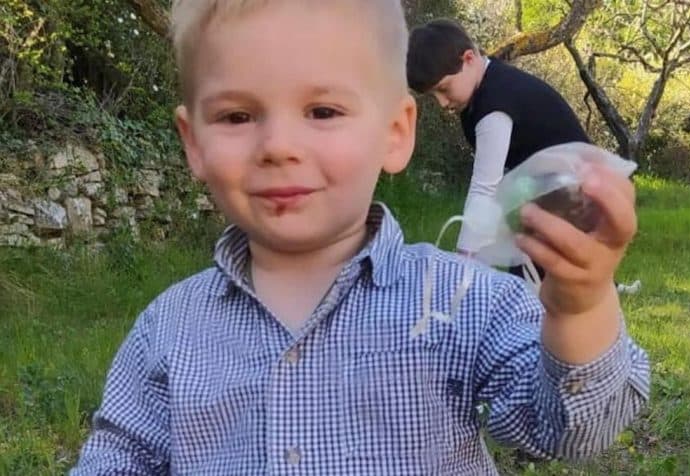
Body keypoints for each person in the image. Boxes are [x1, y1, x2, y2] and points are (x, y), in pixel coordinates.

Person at [70, 1, 649, 474]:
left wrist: (581, 308)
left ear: (395, 133)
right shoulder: (168, 329)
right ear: (194, 142)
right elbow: (118, 458)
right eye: (237, 117)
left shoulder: (462, 302)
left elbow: (571, 429)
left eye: (322, 111)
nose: (278, 146)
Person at [407, 19, 591, 279]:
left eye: (444, 89)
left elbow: (485, 186)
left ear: (469, 59)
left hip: (580, 190)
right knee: (524, 266)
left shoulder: (494, 104)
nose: (442, 102)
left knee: (530, 281)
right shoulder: (489, 83)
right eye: (432, 95)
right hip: (555, 187)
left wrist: (464, 259)